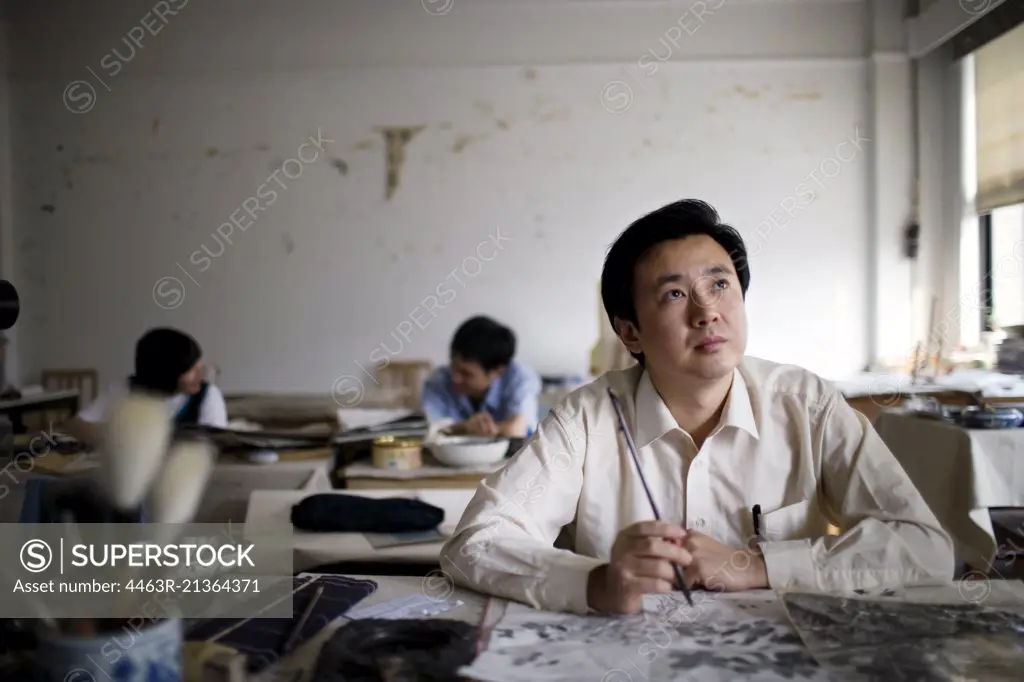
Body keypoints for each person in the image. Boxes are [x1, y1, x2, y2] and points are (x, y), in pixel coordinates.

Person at [440, 199, 954, 616]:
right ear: (630, 333)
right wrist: (597, 583)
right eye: (674, 295)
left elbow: (925, 547)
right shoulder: (587, 419)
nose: (707, 311)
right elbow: (475, 543)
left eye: (719, 284)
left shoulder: (808, 406)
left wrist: (753, 565)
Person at [60, 327, 228, 446]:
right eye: (191, 369)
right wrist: (120, 434)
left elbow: (218, 445)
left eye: (200, 366)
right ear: (165, 372)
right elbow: (74, 426)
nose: (201, 375)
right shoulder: (124, 389)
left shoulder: (208, 395)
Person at [421, 316, 541, 438]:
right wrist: (466, 427)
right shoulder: (439, 381)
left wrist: (469, 429)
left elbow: (518, 429)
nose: (455, 378)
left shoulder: (520, 378)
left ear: (497, 372)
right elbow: (429, 429)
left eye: (466, 373)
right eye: (453, 367)